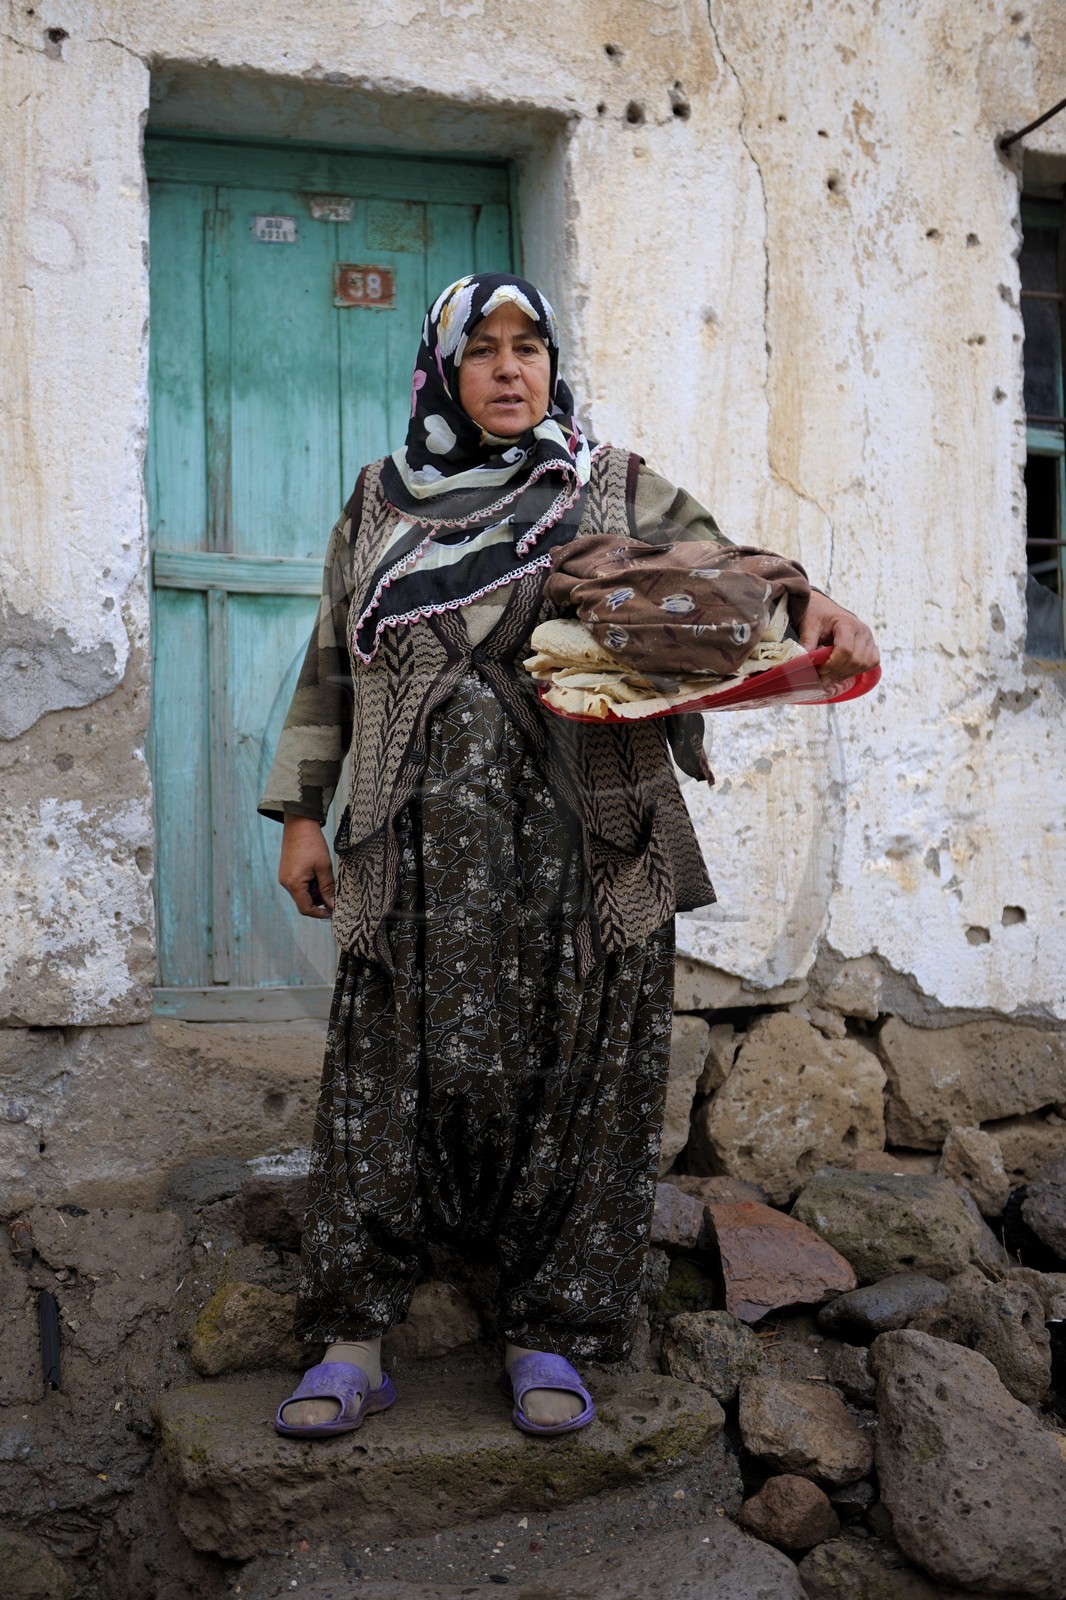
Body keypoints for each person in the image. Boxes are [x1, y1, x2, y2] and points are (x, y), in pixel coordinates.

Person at [259, 273, 878, 1440]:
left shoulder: (609, 485)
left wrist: (817, 607)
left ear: (551, 363)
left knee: (585, 1075)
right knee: (381, 1081)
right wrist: (301, 810)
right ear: (443, 370)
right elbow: (331, 658)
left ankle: (554, 1329)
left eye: (527, 346)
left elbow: (731, 578)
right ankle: (352, 1336)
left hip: (588, 842)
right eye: (481, 349)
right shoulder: (378, 504)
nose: (507, 369)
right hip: (414, 848)